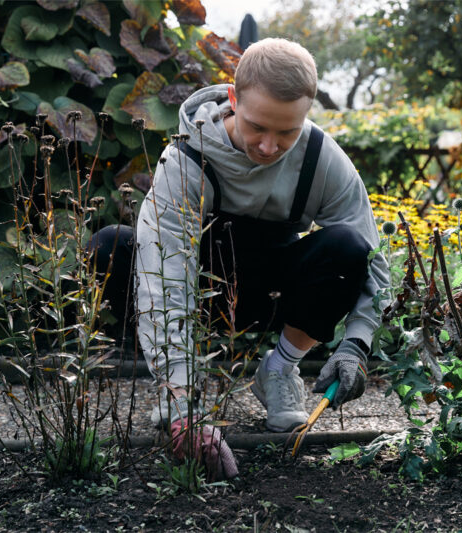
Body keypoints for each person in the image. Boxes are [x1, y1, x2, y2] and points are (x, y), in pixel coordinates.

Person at [128, 38, 389, 478]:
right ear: (233, 100)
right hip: (202, 296)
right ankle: (171, 380)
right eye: (257, 127)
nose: (269, 146)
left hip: (271, 298)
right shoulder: (187, 157)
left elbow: (373, 260)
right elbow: (164, 274)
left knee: (347, 247)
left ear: (306, 114)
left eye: (287, 132)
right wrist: (181, 401)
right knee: (112, 249)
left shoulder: (323, 159)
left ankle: (279, 369)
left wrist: (356, 345)